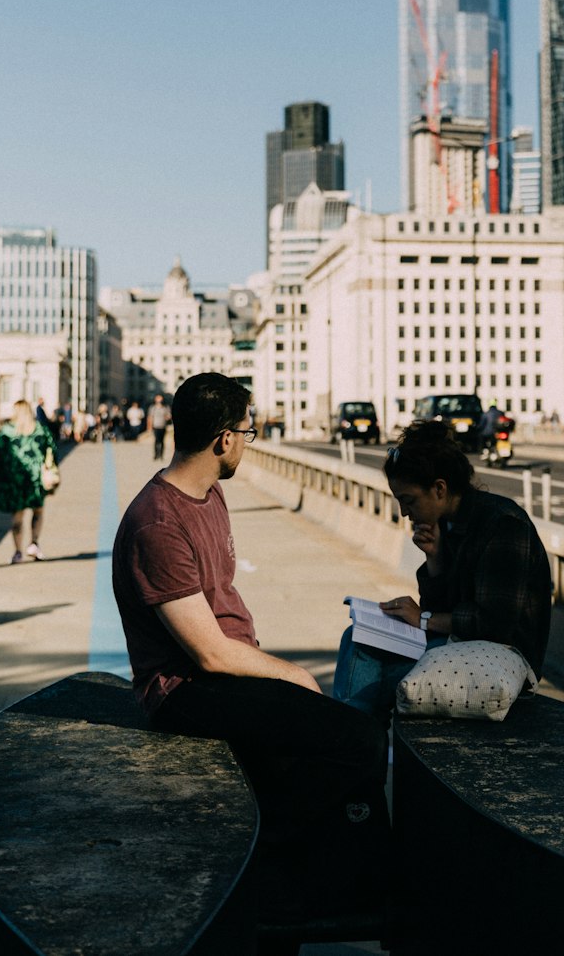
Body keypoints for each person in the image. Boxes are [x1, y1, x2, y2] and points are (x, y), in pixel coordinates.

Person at [112, 372, 390, 924]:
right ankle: (260, 849)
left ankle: (337, 886)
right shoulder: (158, 525)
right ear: (223, 439)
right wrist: (289, 674)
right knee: (357, 740)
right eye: (248, 429)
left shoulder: (209, 494)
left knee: (339, 748)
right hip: (184, 689)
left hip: (224, 671)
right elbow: (209, 654)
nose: (250, 439)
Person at [333, 419, 552, 724]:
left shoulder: (502, 524)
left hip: (503, 656)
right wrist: (435, 559)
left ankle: (348, 751)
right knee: (355, 637)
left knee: (371, 673)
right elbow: (443, 612)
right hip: (461, 644)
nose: (404, 512)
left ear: (439, 488)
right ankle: (352, 747)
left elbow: (496, 624)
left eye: (408, 500)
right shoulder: (447, 523)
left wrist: (422, 618)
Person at [0, 400, 57, 563]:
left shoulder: (7, 431)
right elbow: (52, 449)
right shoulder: (40, 429)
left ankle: (18, 551)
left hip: (15, 480)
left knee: (17, 517)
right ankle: (34, 543)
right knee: (38, 511)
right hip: (36, 479)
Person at [146, 393, 171, 461]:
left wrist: (168, 417)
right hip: (156, 426)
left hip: (163, 426)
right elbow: (150, 417)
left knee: (162, 441)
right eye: (158, 398)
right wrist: (149, 427)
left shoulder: (165, 407)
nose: (159, 400)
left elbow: (169, 416)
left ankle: (161, 455)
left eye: (160, 398)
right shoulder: (153, 407)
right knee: (156, 440)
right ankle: (156, 455)